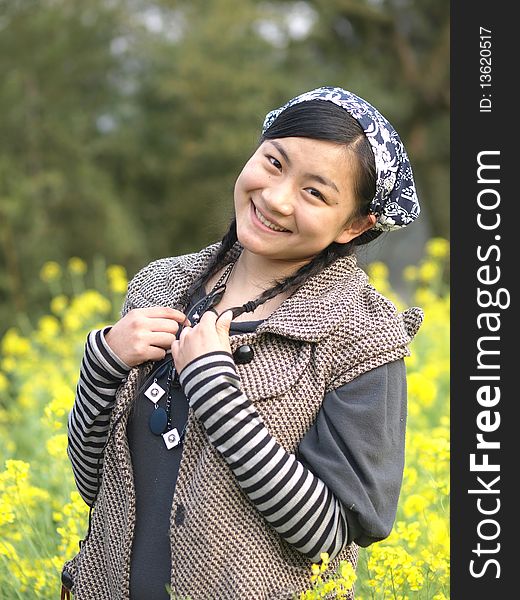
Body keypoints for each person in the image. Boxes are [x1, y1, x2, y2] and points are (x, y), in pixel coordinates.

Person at [61, 86, 423, 600]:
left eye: (315, 193)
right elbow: (94, 484)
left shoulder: (362, 338)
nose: (276, 197)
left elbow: (327, 536)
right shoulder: (161, 285)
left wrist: (214, 391)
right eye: (274, 163)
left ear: (356, 225)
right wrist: (103, 362)